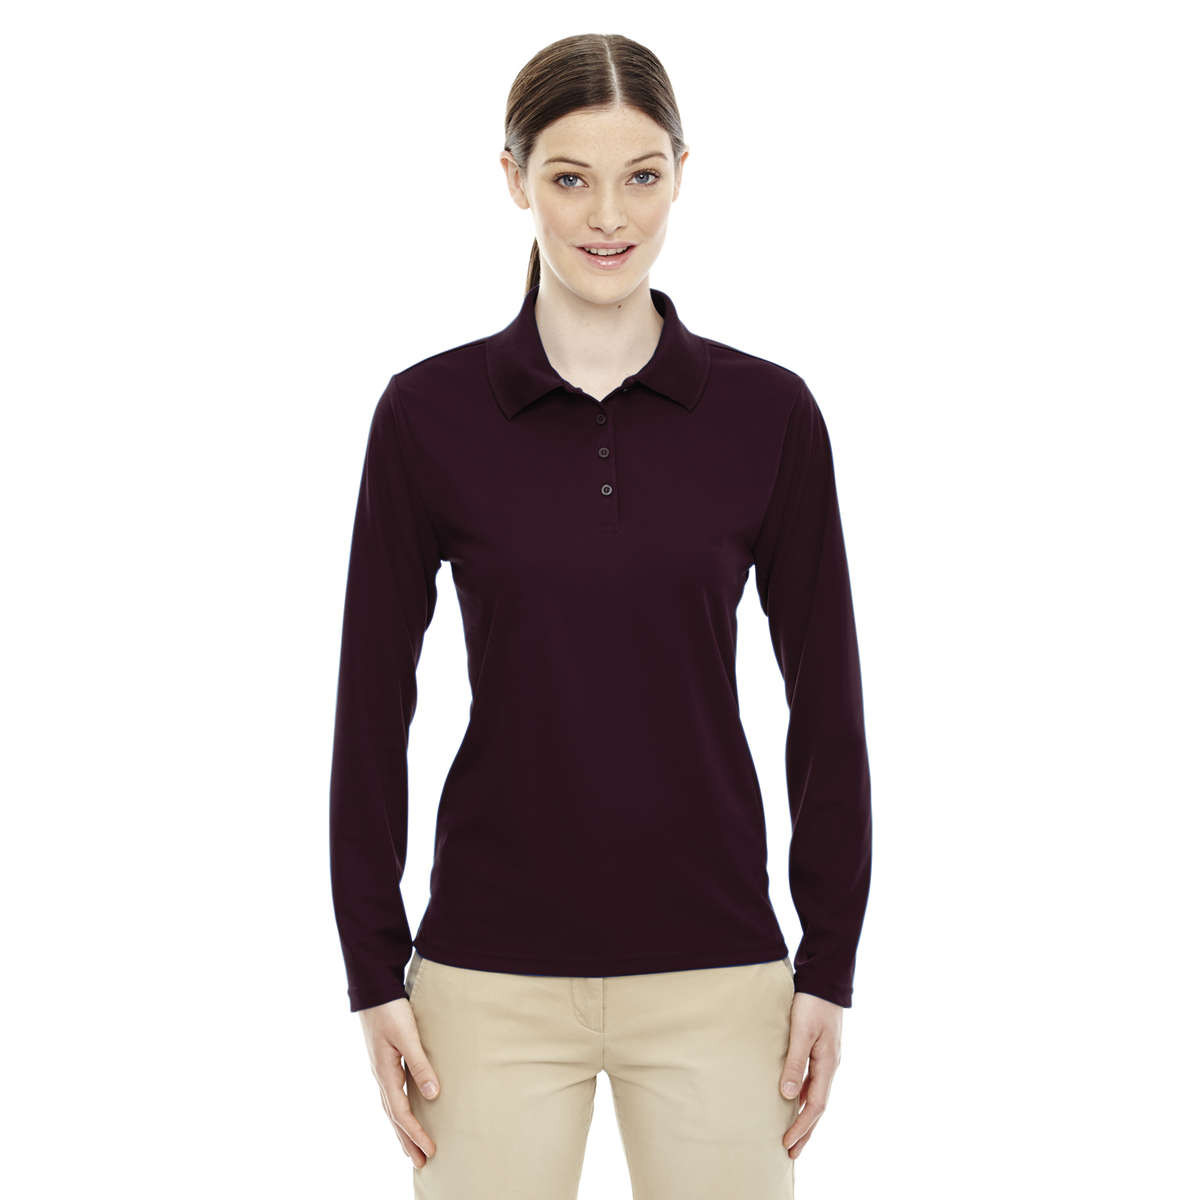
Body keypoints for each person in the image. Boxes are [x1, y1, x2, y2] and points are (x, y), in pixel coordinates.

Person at [329, 32, 873, 1200]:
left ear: (682, 172)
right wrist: (373, 970)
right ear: (514, 178)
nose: (609, 216)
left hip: (721, 976)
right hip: (484, 982)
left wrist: (829, 962)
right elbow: (371, 709)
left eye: (641, 175)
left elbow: (829, 705)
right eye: (570, 177)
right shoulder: (427, 416)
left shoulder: (768, 415)